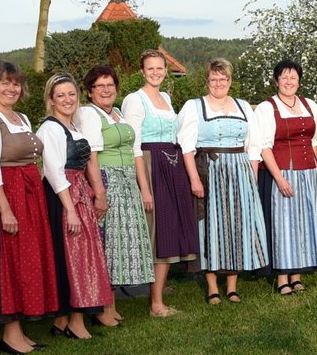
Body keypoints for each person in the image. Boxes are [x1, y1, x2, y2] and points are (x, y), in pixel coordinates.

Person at [0, 61, 58, 355]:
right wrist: (6, 210)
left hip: (28, 194)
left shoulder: (20, 117)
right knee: (11, 263)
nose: (11, 88)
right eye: (4, 82)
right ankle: (9, 334)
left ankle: (19, 329)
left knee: (28, 259)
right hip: (6, 196)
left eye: (16, 83)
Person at [179, 58, 269, 302]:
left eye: (223, 79)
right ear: (207, 81)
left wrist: (251, 176)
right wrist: (195, 180)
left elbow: (254, 146)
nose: (218, 83)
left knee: (236, 225)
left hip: (240, 171)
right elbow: (187, 148)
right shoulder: (193, 106)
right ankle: (212, 286)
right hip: (210, 169)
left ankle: (232, 285)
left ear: (230, 81)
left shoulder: (243, 106)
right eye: (213, 79)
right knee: (210, 225)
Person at [121, 49, 199, 317]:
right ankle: (155, 303)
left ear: (166, 70)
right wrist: (144, 187)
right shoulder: (134, 100)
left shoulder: (166, 97)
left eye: (160, 68)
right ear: (142, 71)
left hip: (172, 166)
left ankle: (159, 298)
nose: (156, 72)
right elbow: (133, 147)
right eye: (150, 68)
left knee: (168, 229)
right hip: (151, 165)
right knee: (156, 233)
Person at [39, 74, 114, 339]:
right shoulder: (50, 128)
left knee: (81, 256)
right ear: (51, 100)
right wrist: (70, 209)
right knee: (71, 257)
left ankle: (64, 320)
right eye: (61, 95)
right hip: (63, 197)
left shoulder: (73, 127)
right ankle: (74, 320)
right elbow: (54, 171)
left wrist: (93, 192)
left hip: (78, 191)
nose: (67, 99)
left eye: (71, 94)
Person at [78, 65, 153, 324]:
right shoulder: (89, 114)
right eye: (100, 86)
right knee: (107, 242)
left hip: (127, 180)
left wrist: (144, 188)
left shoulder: (118, 113)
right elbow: (91, 155)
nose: (107, 90)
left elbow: (136, 151)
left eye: (110, 85)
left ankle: (110, 304)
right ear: (89, 91)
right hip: (108, 179)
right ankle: (104, 307)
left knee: (120, 242)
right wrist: (100, 192)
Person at [256, 60, 317, 294]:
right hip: (282, 172)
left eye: (293, 78)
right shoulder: (267, 108)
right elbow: (264, 147)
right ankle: (282, 278)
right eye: (284, 78)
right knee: (283, 224)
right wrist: (279, 178)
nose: (289, 82)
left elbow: (313, 141)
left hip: (308, 172)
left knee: (303, 223)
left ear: (299, 81)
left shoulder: (310, 105)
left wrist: (315, 171)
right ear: (276, 80)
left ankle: (297, 275)